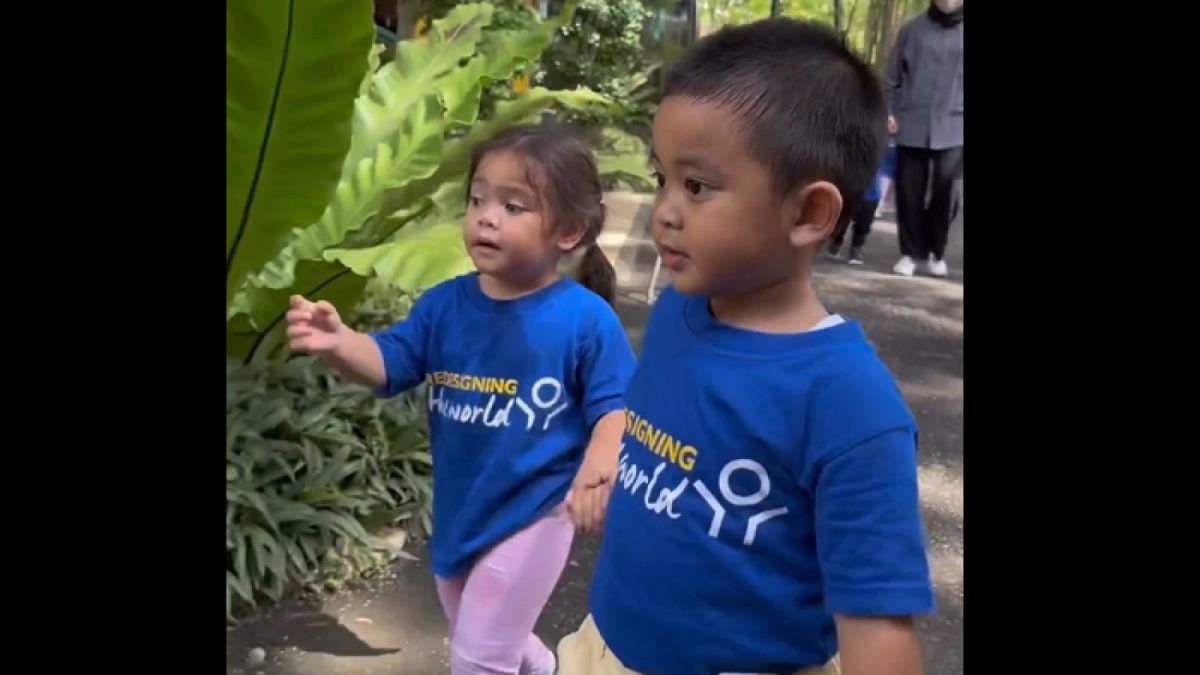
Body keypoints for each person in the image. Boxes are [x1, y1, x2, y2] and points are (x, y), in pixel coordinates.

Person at [557, 18, 933, 675]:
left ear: (808, 213)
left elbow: (878, 631)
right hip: (606, 646)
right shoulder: (678, 307)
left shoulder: (851, 406)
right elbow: (661, 414)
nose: (665, 210)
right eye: (661, 179)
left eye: (697, 186)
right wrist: (616, 450)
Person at [287, 124, 637, 675]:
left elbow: (616, 406)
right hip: (461, 511)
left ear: (569, 230)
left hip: (534, 512)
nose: (487, 216)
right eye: (477, 199)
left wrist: (598, 468)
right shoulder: (443, 306)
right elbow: (391, 363)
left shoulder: (584, 321)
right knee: (490, 636)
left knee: (478, 656)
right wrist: (339, 343)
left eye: (513, 206)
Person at [885, 0, 963, 277]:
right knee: (909, 191)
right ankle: (911, 252)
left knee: (947, 192)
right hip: (912, 121)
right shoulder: (912, 30)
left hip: (956, 124)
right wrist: (888, 110)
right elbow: (892, 76)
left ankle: (936, 250)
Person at [826, 153, 889, 265]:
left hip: (870, 187)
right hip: (850, 182)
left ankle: (857, 246)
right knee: (843, 214)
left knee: (865, 220)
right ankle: (836, 239)